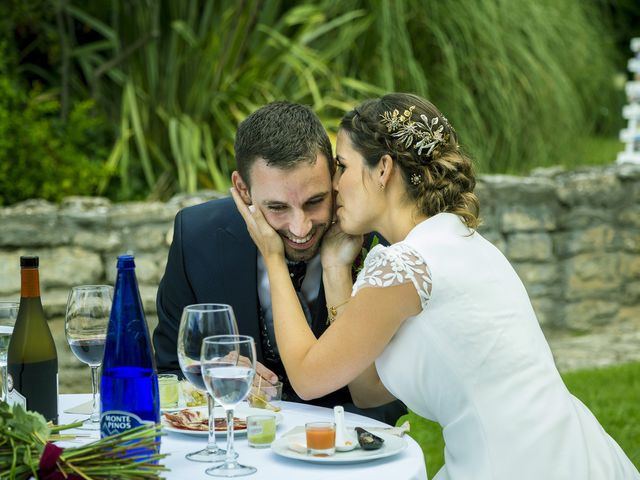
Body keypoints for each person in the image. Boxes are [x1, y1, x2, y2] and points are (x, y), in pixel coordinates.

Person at [231, 93, 640, 479]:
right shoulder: (453, 240)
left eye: (342, 166)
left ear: (384, 170)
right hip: (565, 449)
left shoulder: (405, 265)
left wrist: (271, 254)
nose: (335, 185)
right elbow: (368, 389)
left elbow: (306, 377)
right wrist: (337, 269)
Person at [153, 101, 407, 425]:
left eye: (315, 201)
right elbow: (169, 371)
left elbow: (389, 395)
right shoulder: (197, 236)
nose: (300, 228)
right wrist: (216, 379)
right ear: (243, 190)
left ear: (334, 175)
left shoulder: (378, 242)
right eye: (277, 207)